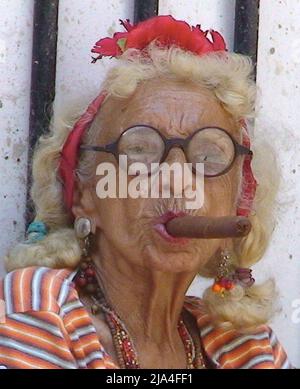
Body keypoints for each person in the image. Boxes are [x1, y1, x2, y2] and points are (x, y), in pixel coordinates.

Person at [0, 15, 292, 369]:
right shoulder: (34, 314)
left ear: (239, 202)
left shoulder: (249, 349)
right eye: (140, 150)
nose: (177, 179)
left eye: (209, 156)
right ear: (82, 195)